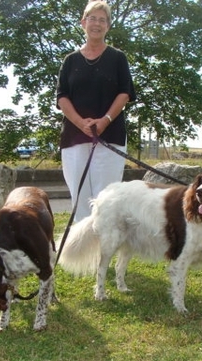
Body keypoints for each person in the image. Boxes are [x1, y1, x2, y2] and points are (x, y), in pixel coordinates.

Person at [56, 0, 137, 221]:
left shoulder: (118, 58)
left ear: (108, 26)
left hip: (109, 137)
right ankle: (81, 253)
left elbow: (125, 93)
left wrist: (104, 120)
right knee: (80, 200)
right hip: (75, 137)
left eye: (102, 20)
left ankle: (103, 253)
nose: (97, 24)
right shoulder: (70, 61)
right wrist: (81, 123)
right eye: (93, 18)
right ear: (83, 22)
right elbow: (62, 96)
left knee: (106, 200)